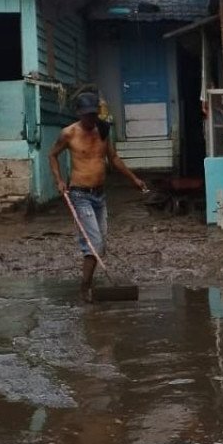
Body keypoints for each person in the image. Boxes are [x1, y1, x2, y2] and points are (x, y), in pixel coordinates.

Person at [48, 90, 148, 302]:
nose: (90, 119)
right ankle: (85, 289)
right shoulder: (69, 133)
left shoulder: (103, 130)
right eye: (86, 115)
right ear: (78, 113)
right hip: (79, 194)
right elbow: (53, 155)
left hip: (99, 195)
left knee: (100, 244)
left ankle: (88, 286)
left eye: (93, 114)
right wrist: (59, 180)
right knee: (93, 243)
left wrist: (134, 179)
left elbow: (113, 158)